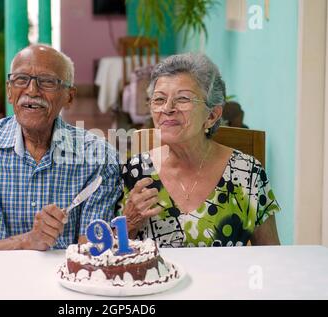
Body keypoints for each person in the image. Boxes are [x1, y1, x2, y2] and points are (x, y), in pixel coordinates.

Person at [0, 44, 122, 251]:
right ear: (10, 91)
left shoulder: (99, 157)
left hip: (68, 280)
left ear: (69, 97)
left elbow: (93, 250)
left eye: (47, 82)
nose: (32, 90)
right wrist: (27, 241)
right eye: (21, 80)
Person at [118, 53, 280, 247]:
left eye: (183, 99)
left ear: (212, 115)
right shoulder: (136, 171)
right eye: (159, 100)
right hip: (160, 278)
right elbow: (110, 257)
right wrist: (128, 224)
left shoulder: (247, 173)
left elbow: (271, 255)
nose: (167, 108)